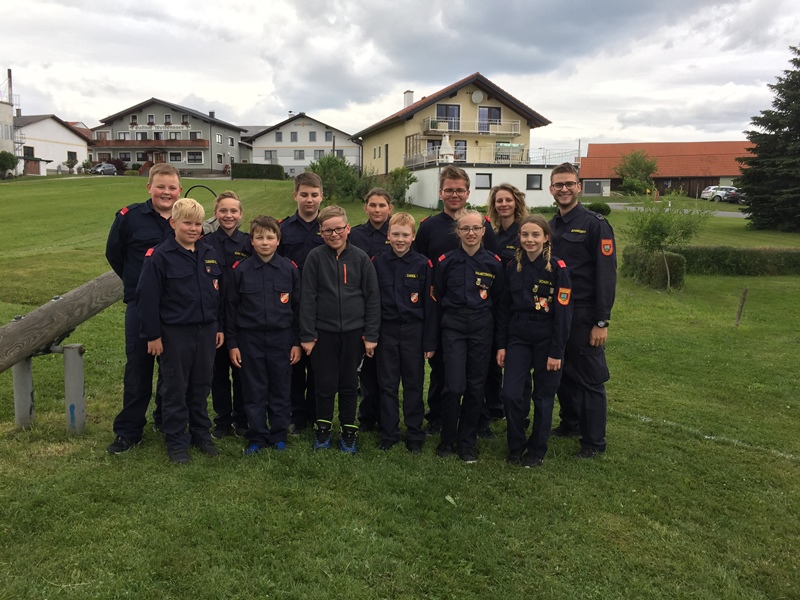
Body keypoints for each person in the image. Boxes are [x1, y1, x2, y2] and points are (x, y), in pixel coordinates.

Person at [135, 198, 224, 464]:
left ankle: (200, 434)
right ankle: (175, 440)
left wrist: (218, 326)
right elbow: (147, 298)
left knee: (201, 385)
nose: (193, 229)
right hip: (175, 334)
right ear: (173, 223)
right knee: (175, 387)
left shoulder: (208, 252)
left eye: (197, 224)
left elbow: (218, 294)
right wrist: (153, 335)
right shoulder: (160, 256)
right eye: (187, 223)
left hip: (206, 331)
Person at [413, 165, 498, 435]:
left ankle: (479, 417)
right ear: (440, 192)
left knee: (478, 369)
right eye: (449, 190)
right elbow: (419, 265)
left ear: (468, 192)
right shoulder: (428, 227)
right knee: (441, 366)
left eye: (460, 190)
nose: (454, 195)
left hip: (477, 310)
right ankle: (438, 415)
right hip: (441, 308)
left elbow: (493, 265)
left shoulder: (483, 225)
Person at [105, 163, 182, 454]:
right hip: (140, 306)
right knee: (138, 367)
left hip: (176, 307)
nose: (166, 192)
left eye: (172, 187)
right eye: (160, 186)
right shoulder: (130, 217)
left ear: (179, 190)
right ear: (149, 187)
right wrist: (138, 284)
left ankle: (165, 420)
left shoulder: (184, 217)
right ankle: (129, 431)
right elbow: (114, 254)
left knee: (172, 368)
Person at [548, 162, 617, 458]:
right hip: (557, 313)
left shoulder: (595, 225)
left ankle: (594, 442)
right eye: (558, 185)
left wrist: (601, 321)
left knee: (590, 378)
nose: (564, 189)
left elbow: (606, 275)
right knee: (563, 372)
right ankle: (571, 423)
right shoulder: (551, 226)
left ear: (578, 187)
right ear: (551, 189)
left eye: (569, 184)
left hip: (584, 312)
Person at [299, 205, 380, 454]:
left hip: (354, 334)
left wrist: (371, 335)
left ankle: (348, 430)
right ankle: (323, 429)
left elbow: (372, 298)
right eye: (328, 231)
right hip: (323, 333)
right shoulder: (315, 257)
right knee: (324, 384)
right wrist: (307, 334)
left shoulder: (361, 258)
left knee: (348, 384)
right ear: (320, 232)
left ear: (348, 228)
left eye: (338, 229)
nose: (334, 234)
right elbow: (307, 298)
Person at [496, 215, 572, 468]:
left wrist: (557, 351)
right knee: (510, 394)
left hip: (546, 338)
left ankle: (536, 450)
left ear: (546, 238)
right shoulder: (513, 267)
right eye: (525, 234)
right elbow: (504, 309)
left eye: (535, 235)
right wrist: (502, 344)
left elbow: (563, 314)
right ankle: (516, 445)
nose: (530, 239)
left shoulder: (558, 269)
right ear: (519, 238)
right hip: (518, 337)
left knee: (543, 396)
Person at [226, 216, 301, 455]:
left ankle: (279, 434)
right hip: (250, 339)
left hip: (282, 339)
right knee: (254, 389)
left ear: (278, 240)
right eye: (259, 237)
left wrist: (297, 342)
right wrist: (232, 343)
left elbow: (298, 309)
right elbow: (230, 309)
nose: (265, 242)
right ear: (252, 241)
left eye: (270, 237)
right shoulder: (241, 271)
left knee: (280, 388)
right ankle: (256, 435)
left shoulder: (289, 270)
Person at [433, 210, 504, 463]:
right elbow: (439, 296)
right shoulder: (446, 262)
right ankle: (447, 439)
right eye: (465, 229)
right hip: (453, 326)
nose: (471, 233)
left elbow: (499, 301)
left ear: (484, 231)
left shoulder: (494, 263)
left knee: (475, 387)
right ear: (458, 232)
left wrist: (500, 342)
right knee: (453, 386)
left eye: (476, 228)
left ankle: (467, 442)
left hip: (481, 326)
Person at [372, 212, 437, 453]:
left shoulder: (423, 264)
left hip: (413, 331)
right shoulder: (377, 262)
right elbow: (372, 301)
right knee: (387, 385)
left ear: (413, 236)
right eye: (396, 234)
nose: (400, 239)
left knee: (413, 384)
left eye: (405, 235)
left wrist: (429, 342)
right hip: (386, 331)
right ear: (388, 235)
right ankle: (389, 433)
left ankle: (414, 433)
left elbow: (430, 306)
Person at [278, 172, 325, 434]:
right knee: (294, 363)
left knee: (318, 364)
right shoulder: (283, 229)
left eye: (314, 195)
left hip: (322, 305)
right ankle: (296, 415)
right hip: (291, 305)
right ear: (295, 195)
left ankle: (316, 414)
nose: (309, 200)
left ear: (321, 196)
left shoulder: (329, 228)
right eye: (304, 194)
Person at [203, 191, 251, 439]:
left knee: (242, 371)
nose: (228, 215)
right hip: (215, 316)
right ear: (215, 214)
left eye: (233, 211)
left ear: (241, 214)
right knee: (218, 373)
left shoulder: (249, 243)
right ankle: (222, 421)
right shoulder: (206, 242)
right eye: (223, 210)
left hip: (242, 317)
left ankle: (242, 419)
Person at [482, 183, 530, 429]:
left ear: (516, 202)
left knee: (517, 361)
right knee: (492, 358)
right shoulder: (493, 233)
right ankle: (495, 406)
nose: (503, 204)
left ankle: (519, 413)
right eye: (499, 201)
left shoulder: (525, 232)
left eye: (508, 200)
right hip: (493, 304)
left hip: (518, 305)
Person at [349, 187, 393, 432]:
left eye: (382, 205)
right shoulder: (355, 235)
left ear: (390, 208)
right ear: (365, 207)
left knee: (386, 369)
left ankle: (386, 417)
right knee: (365, 367)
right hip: (361, 307)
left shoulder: (397, 233)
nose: (377, 209)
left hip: (389, 307)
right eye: (373, 205)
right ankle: (366, 417)